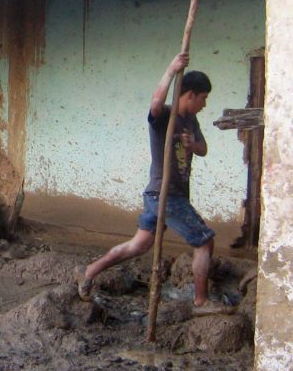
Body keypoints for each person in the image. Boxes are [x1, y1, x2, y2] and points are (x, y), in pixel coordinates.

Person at [77, 52, 232, 316]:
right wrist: (172, 68)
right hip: (165, 195)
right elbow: (156, 102)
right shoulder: (166, 117)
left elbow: (203, 149)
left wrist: (191, 144)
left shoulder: (190, 121)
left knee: (138, 246)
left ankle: (89, 272)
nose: (204, 105)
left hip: (163, 195)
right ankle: (201, 302)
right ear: (190, 94)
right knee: (205, 242)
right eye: (203, 99)